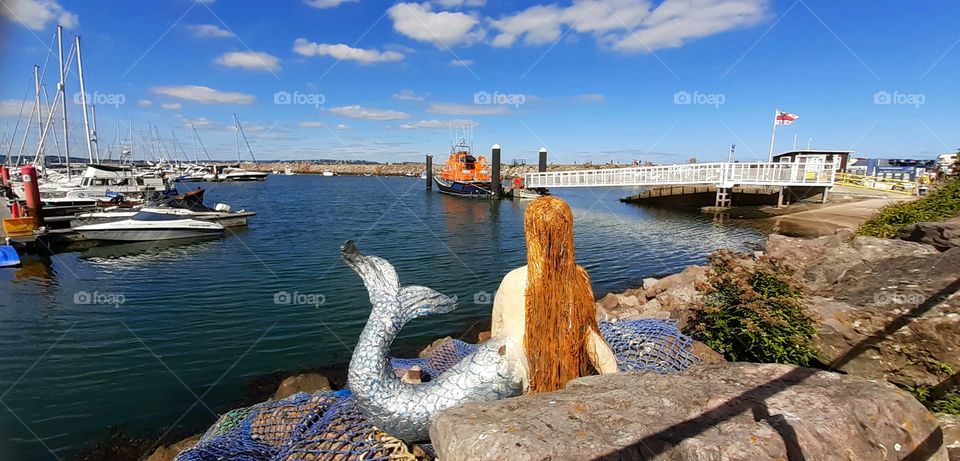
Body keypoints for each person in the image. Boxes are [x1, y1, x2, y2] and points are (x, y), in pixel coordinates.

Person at [491, 196, 617, 394]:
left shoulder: (512, 279)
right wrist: (613, 377)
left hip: (518, 380)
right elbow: (589, 335)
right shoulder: (579, 277)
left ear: (530, 232)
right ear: (567, 231)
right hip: (564, 377)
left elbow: (497, 334)